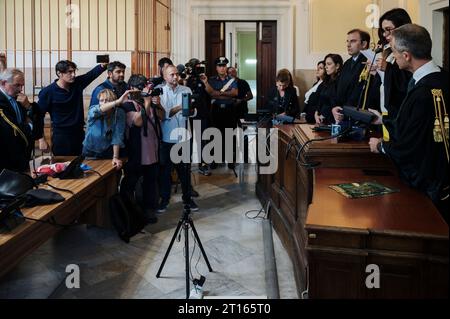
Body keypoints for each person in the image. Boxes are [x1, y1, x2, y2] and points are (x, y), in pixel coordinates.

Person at [368, 24, 449, 223]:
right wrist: (383, 119)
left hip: (430, 187)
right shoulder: (443, 78)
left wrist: (381, 146)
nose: (392, 57)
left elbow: (410, 145)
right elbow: (416, 124)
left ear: (406, 55)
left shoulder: (422, 93)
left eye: (394, 52)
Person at [120, 75, 165, 224]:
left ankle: (149, 209)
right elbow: (138, 122)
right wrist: (146, 103)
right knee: (131, 181)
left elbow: (162, 117)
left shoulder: (150, 101)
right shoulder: (127, 105)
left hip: (152, 149)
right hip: (136, 151)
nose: (143, 90)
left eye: (144, 87)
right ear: (132, 89)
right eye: (140, 88)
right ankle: (128, 210)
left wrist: (157, 105)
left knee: (151, 181)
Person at [37, 60, 107, 156]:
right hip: (61, 136)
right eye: (69, 72)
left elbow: (90, 75)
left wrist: (103, 66)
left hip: (79, 133)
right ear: (59, 73)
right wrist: (41, 139)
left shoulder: (77, 84)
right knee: (63, 166)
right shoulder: (48, 92)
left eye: (74, 71)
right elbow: (38, 116)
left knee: (79, 164)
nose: (73, 75)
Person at [157, 65, 199, 213]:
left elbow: (193, 112)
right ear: (164, 76)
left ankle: (187, 199)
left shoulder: (186, 90)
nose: (175, 77)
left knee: (185, 171)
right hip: (167, 137)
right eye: (172, 75)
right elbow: (161, 115)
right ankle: (164, 199)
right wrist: (179, 107)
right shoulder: (160, 91)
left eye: (177, 74)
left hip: (184, 136)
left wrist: (192, 110)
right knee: (165, 171)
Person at [0, 68, 43, 172]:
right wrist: (30, 126)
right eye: (17, 85)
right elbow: (12, 130)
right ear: (3, 83)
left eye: (22, 85)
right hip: (6, 159)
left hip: (22, 158)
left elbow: (37, 132)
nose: (20, 89)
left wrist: (28, 107)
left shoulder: (19, 99)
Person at [83, 89, 135, 170]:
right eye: (101, 100)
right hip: (90, 151)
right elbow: (99, 110)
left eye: (107, 101)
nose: (103, 103)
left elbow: (117, 136)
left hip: (107, 150)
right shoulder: (94, 110)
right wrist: (117, 102)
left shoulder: (119, 113)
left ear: (112, 102)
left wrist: (115, 157)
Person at [203, 57, 239, 169]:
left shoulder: (232, 80)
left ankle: (230, 160)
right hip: (216, 110)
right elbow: (210, 94)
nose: (222, 68)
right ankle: (215, 159)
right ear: (216, 68)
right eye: (220, 66)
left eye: (224, 66)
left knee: (230, 135)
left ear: (226, 67)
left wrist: (217, 93)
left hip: (229, 110)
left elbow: (234, 93)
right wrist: (221, 94)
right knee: (215, 134)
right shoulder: (212, 80)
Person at [332, 29, 370, 123]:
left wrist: (345, 110)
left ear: (364, 44)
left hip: (357, 115)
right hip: (342, 112)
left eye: (353, 41)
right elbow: (338, 88)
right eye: (347, 41)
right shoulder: (347, 63)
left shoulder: (369, 63)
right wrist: (335, 107)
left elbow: (360, 91)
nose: (348, 45)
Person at [315, 54, 343, 124]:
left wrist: (323, 115)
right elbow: (320, 99)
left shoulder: (340, 82)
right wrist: (316, 113)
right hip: (320, 119)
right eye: (325, 64)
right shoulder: (326, 81)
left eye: (329, 64)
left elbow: (334, 103)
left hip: (332, 120)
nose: (326, 67)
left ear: (337, 66)